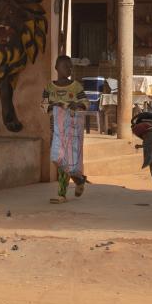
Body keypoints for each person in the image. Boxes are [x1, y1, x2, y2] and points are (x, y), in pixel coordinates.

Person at [42, 55, 89, 203]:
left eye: (70, 66)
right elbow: (43, 105)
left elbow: (85, 103)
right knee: (57, 158)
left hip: (72, 129)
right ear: (56, 68)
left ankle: (61, 193)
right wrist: (55, 106)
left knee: (67, 159)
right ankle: (79, 179)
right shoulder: (49, 87)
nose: (69, 69)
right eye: (65, 66)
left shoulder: (76, 87)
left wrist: (77, 105)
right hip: (55, 128)